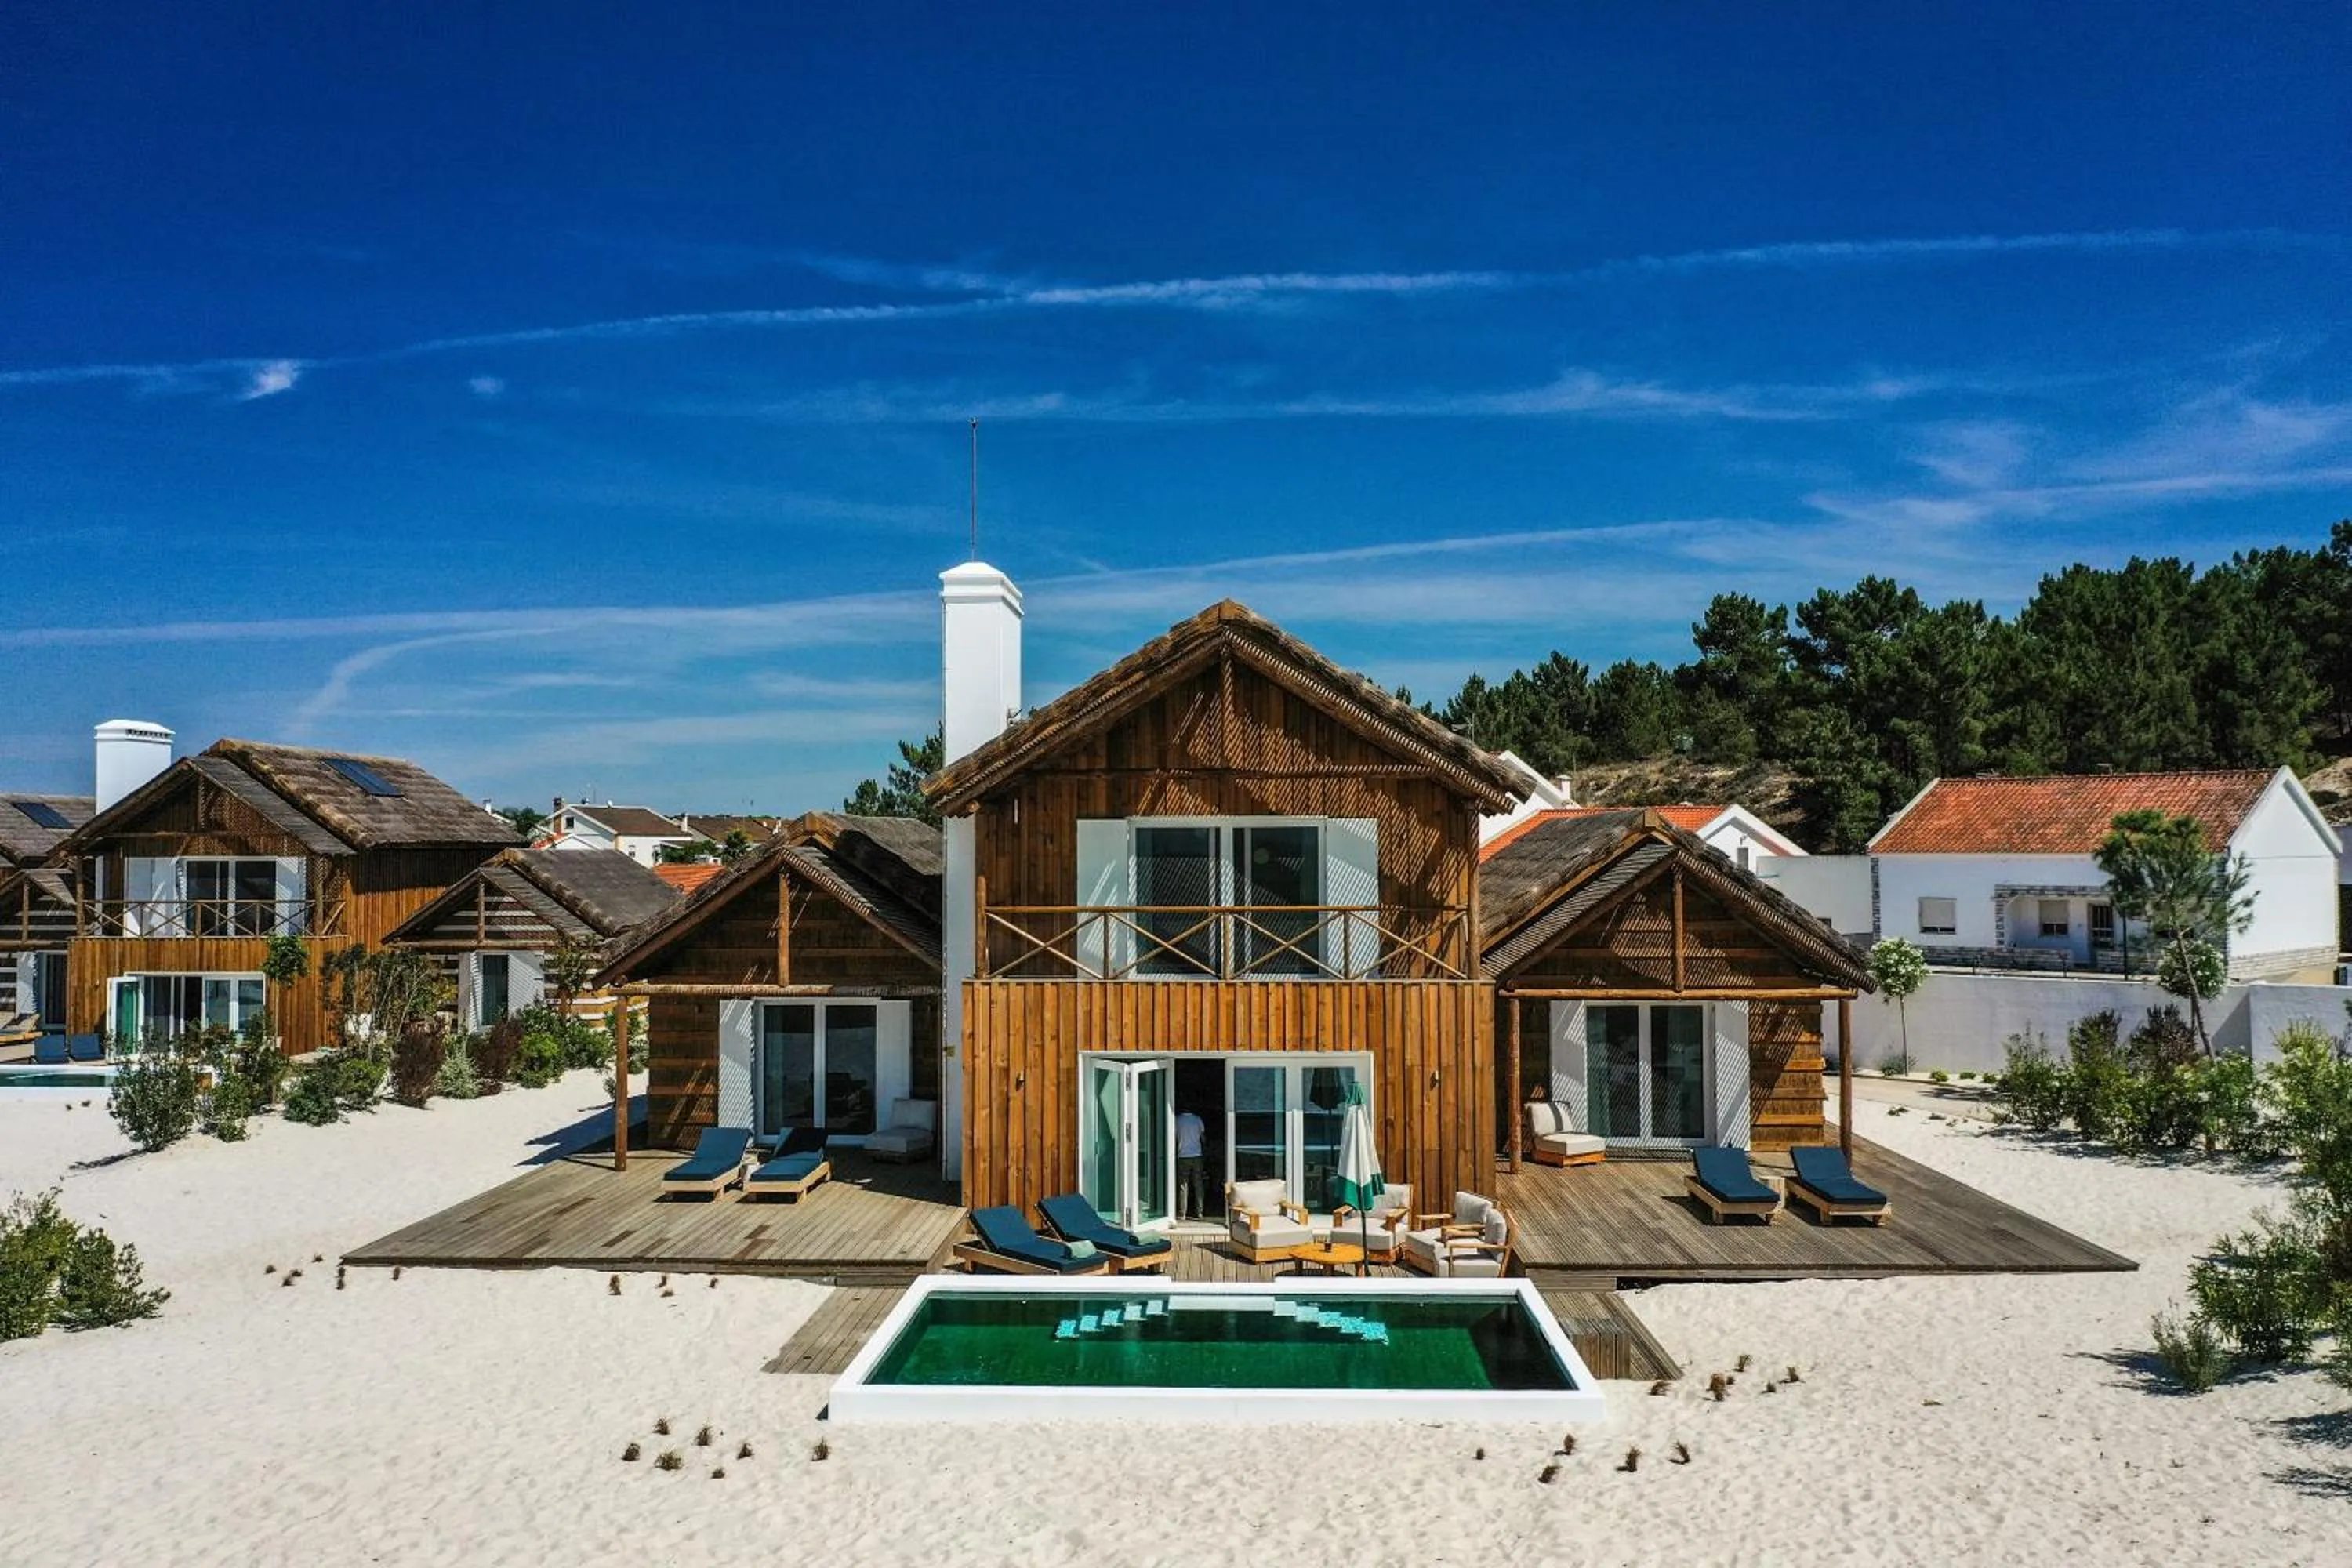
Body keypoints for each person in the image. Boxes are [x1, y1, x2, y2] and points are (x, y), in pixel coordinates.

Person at [1174, 1107, 1207, 1220]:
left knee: (1183, 1185)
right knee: (1198, 1184)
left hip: (1183, 1155)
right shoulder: (1197, 1119)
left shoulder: (1176, 1120)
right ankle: (1200, 1212)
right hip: (1197, 1155)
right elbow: (1203, 1138)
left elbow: (1173, 1138)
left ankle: (1182, 1213)